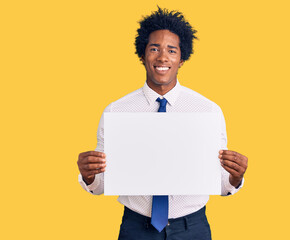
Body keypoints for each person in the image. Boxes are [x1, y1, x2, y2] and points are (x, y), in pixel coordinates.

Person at [77, 7, 248, 240]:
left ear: (182, 58)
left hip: (192, 228)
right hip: (136, 228)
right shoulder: (117, 111)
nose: (162, 58)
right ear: (142, 55)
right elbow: (102, 185)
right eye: (154, 49)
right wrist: (88, 176)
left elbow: (219, 185)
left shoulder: (207, 111)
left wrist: (234, 178)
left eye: (171, 50)